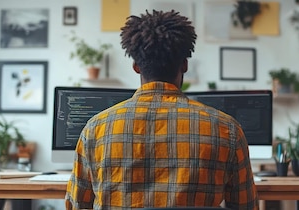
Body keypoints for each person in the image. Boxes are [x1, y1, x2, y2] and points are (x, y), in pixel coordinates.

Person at [65, 10, 258, 210]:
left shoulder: (95, 129)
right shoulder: (227, 129)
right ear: (184, 65)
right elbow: (245, 206)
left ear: (136, 66)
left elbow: (77, 205)